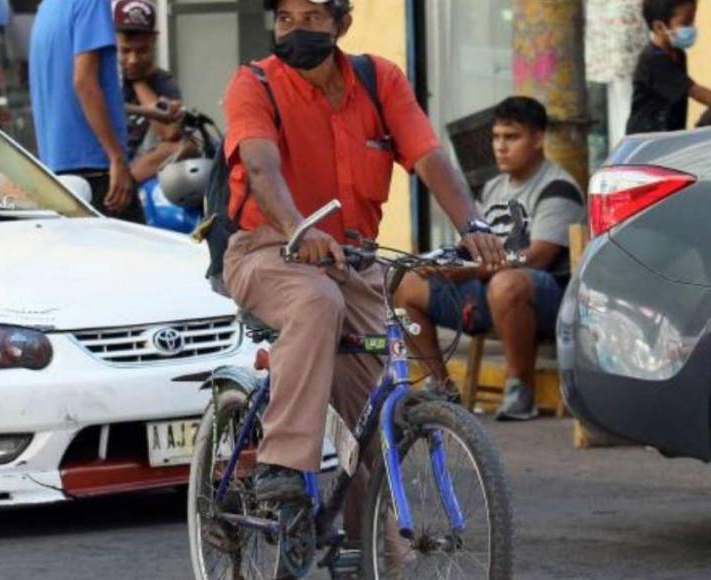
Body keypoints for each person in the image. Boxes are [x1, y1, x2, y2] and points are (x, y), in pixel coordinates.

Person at [220, 0, 505, 542]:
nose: (295, 30)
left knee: (376, 427)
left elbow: (427, 157)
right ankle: (282, 461)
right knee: (315, 302)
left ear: (341, 25)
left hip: (354, 263)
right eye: (285, 19)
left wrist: (472, 223)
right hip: (268, 250)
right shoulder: (253, 84)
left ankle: (368, 553)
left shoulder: (379, 81)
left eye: (311, 18)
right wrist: (299, 228)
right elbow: (260, 166)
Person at [395, 97, 585, 421]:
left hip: (547, 298)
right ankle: (441, 388)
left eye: (511, 137)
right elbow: (470, 245)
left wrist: (475, 268)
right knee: (408, 285)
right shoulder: (493, 187)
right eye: (496, 137)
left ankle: (519, 390)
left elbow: (537, 257)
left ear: (538, 139)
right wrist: (447, 264)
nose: (500, 147)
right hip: (487, 289)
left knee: (506, 282)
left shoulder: (558, 188)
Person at [30, 0, 144, 222]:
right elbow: (84, 82)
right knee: (142, 253)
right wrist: (116, 157)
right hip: (96, 168)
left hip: (56, 169)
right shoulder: (91, 3)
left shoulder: (47, 8)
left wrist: (150, 112)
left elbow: (65, 92)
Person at [113, 0, 191, 184]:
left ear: (154, 42)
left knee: (184, 146)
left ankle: (125, 185)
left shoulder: (163, 81)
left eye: (141, 51)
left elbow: (169, 133)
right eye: (125, 51)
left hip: (138, 168)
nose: (133, 60)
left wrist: (139, 82)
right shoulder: (104, 79)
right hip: (105, 161)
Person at [626, 0, 711, 134]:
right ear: (659, 27)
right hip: (648, 140)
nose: (692, 27)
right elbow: (694, 91)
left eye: (692, 21)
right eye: (685, 23)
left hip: (670, 133)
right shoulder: (653, 59)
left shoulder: (678, 54)